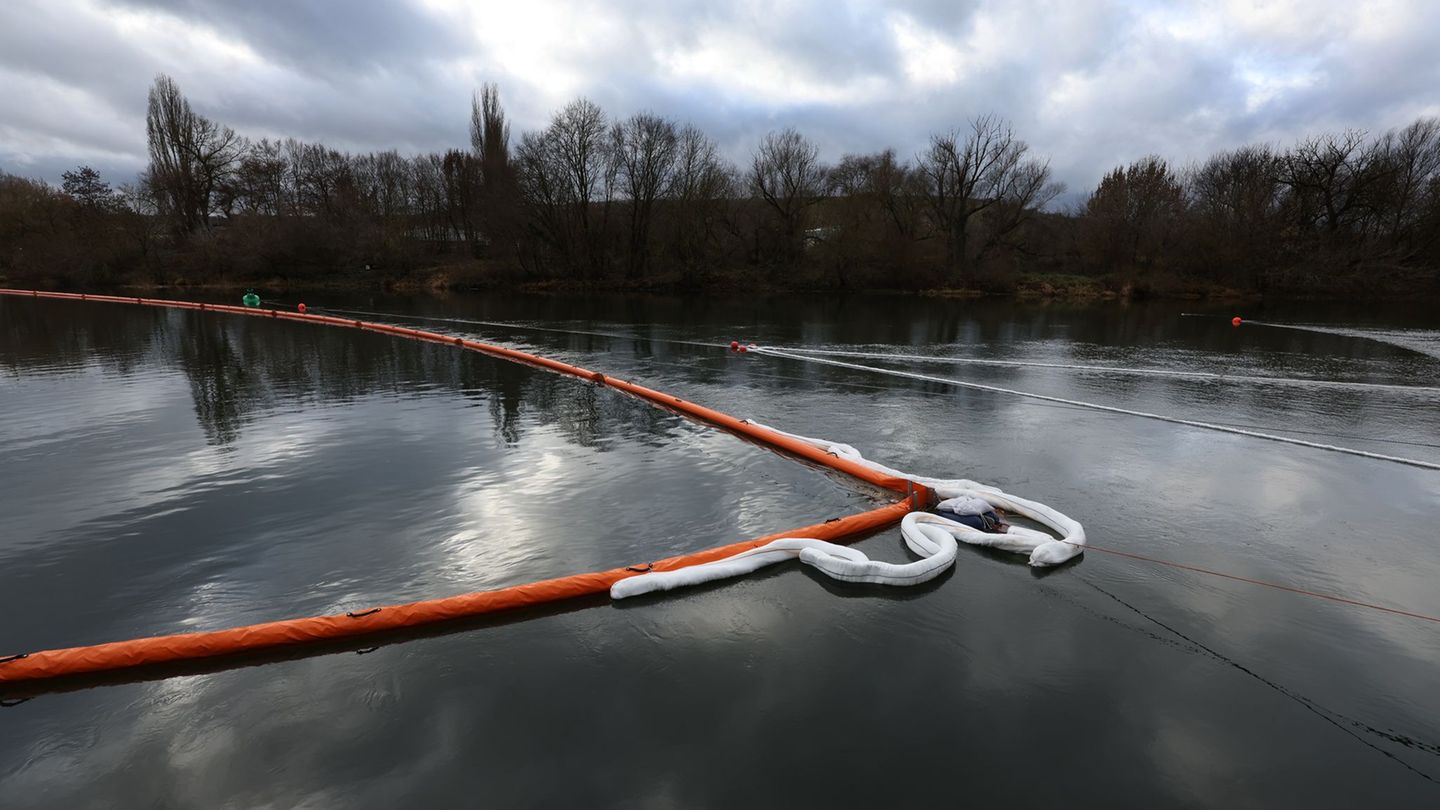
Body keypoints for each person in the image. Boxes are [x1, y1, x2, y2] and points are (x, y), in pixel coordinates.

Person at [933, 495, 1008, 533]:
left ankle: (990, 524)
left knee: (977, 521)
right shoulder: (958, 505)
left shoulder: (964, 505)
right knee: (976, 521)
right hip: (960, 507)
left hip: (964, 507)